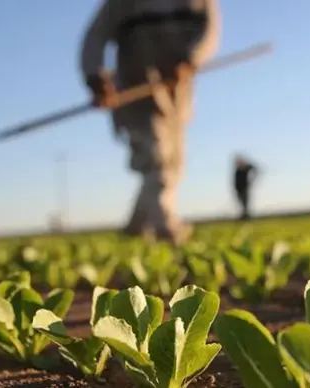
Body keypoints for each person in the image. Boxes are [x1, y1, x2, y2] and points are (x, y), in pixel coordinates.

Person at [80, 0, 221, 245]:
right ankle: (164, 225)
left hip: (176, 94)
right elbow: (95, 37)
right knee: (156, 158)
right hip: (136, 90)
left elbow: (209, 32)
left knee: (173, 164)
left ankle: (136, 226)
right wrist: (95, 77)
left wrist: (191, 60)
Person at [233, 154, 259, 220]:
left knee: (245, 204)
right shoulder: (237, 170)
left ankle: (246, 217)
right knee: (241, 204)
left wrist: (252, 180)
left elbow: (255, 169)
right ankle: (244, 216)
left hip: (245, 188)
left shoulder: (246, 167)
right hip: (238, 189)